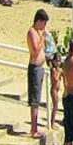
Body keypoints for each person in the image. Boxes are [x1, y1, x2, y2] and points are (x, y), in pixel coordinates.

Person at [26, 9, 49, 137]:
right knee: (34, 99)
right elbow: (35, 51)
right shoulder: (32, 32)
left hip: (39, 66)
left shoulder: (37, 32)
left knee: (37, 98)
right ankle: (33, 128)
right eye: (43, 23)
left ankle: (34, 127)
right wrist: (42, 37)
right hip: (34, 67)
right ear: (39, 21)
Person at [48, 53, 62, 129]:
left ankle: (52, 121)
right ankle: (52, 122)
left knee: (56, 106)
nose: (58, 63)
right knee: (55, 106)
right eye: (56, 61)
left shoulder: (58, 69)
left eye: (59, 61)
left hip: (57, 90)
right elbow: (55, 79)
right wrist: (59, 72)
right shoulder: (53, 70)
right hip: (54, 90)